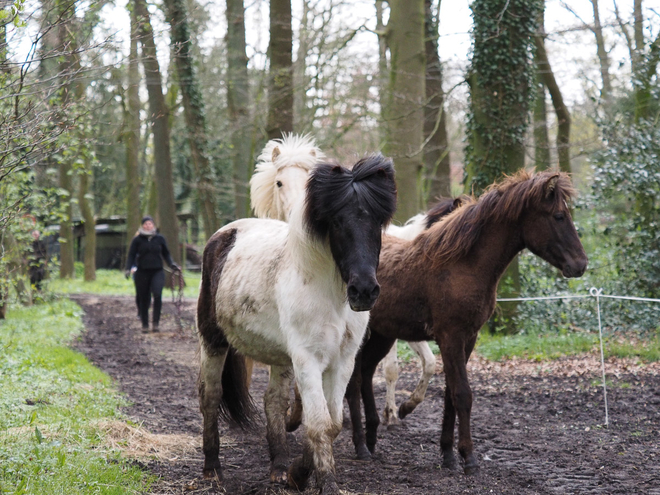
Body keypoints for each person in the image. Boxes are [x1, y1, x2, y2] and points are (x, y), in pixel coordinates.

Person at [125, 216, 180, 332]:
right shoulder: (137, 240)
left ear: (153, 225)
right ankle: (145, 324)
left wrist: (172, 264)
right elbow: (131, 255)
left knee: (157, 294)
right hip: (142, 271)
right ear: (142, 226)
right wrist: (127, 268)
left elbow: (166, 254)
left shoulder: (160, 238)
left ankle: (156, 323)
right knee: (144, 298)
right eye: (145, 224)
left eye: (150, 224)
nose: (148, 226)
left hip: (157, 271)